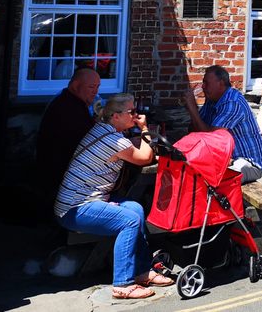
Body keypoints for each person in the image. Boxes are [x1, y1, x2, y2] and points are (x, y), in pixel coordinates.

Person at [54, 94, 173, 300]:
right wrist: (145, 128)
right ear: (116, 116)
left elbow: (127, 147)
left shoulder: (103, 129)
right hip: (74, 209)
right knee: (129, 221)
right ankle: (123, 284)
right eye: (131, 112)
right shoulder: (113, 140)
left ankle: (141, 270)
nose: (136, 115)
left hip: (87, 200)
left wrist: (136, 140)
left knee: (135, 209)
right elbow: (145, 158)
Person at [183, 64, 262, 183]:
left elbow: (212, 137)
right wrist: (192, 110)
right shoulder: (212, 99)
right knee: (189, 169)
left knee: (212, 179)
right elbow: (195, 130)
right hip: (225, 159)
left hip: (248, 163)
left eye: (206, 83)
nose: (203, 86)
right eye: (203, 82)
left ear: (221, 83)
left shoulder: (232, 102)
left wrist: (192, 108)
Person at [36, 67, 100, 210]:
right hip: (61, 180)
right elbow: (91, 141)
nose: (95, 92)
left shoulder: (70, 101)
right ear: (76, 86)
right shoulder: (68, 108)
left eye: (97, 87)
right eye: (91, 87)